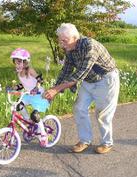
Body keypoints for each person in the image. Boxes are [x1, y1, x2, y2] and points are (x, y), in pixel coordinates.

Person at [43, 23, 120, 154]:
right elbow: (66, 71)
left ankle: (107, 143)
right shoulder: (69, 50)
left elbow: (80, 74)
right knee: (79, 108)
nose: (61, 44)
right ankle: (85, 140)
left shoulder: (90, 46)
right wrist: (54, 90)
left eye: (64, 41)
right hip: (89, 81)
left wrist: (56, 90)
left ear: (75, 38)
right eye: (60, 40)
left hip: (106, 80)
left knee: (103, 114)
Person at [9, 48, 50, 147]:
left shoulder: (30, 70)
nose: (17, 64)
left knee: (35, 115)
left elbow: (40, 80)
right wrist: (14, 88)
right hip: (28, 95)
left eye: (19, 62)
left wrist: (36, 88)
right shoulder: (19, 73)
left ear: (25, 62)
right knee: (19, 106)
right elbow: (24, 84)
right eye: (15, 62)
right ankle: (30, 122)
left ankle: (43, 134)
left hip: (38, 95)